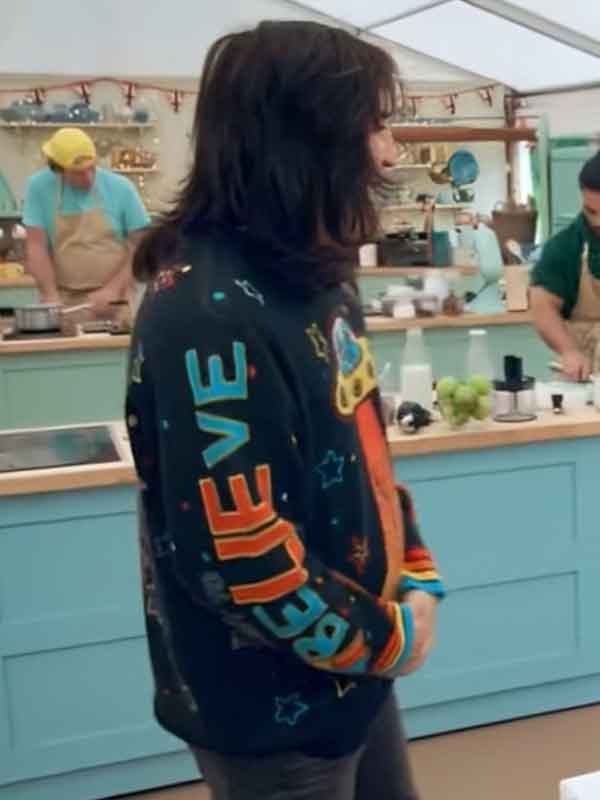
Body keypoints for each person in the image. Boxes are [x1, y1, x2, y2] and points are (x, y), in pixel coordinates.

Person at [126, 21, 444, 800]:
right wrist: (389, 636)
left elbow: (365, 454)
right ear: (306, 140)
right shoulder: (206, 315)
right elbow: (242, 564)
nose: (390, 153)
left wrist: (414, 566)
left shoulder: (318, 273)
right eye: (374, 125)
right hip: (271, 712)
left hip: (355, 672)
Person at [22, 127, 150, 316]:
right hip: (65, 301)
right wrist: (50, 294)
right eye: (78, 173)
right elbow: (36, 246)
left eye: (92, 168)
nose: (88, 178)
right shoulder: (39, 188)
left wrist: (113, 289)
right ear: (58, 169)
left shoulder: (121, 188)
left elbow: (140, 248)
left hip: (117, 299)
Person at [530, 152, 600, 381]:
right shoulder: (564, 248)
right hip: (584, 380)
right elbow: (543, 306)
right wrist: (568, 351)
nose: (598, 221)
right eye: (591, 211)